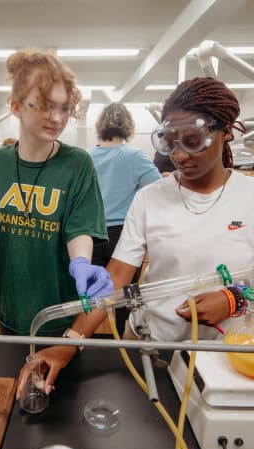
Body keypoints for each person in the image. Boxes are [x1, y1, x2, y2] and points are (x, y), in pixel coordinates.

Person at [21, 77, 254, 397]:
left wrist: (233, 299)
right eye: (170, 142)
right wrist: (70, 343)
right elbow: (116, 279)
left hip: (225, 357)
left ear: (226, 131)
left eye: (193, 140)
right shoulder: (149, 198)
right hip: (150, 348)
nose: (181, 155)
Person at [0, 48, 112, 337]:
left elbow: (80, 229)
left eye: (64, 108)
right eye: (45, 105)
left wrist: (81, 263)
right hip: (8, 309)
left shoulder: (77, 163)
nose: (57, 118)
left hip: (57, 312)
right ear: (16, 107)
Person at [89, 103, 160, 329]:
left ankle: (80, 343)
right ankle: (125, 350)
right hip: (124, 235)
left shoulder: (85, 157)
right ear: (128, 126)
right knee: (125, 298)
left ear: (100, 126)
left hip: (90, 235)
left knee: (90, 298)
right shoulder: (134, 156)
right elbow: (157, 188)